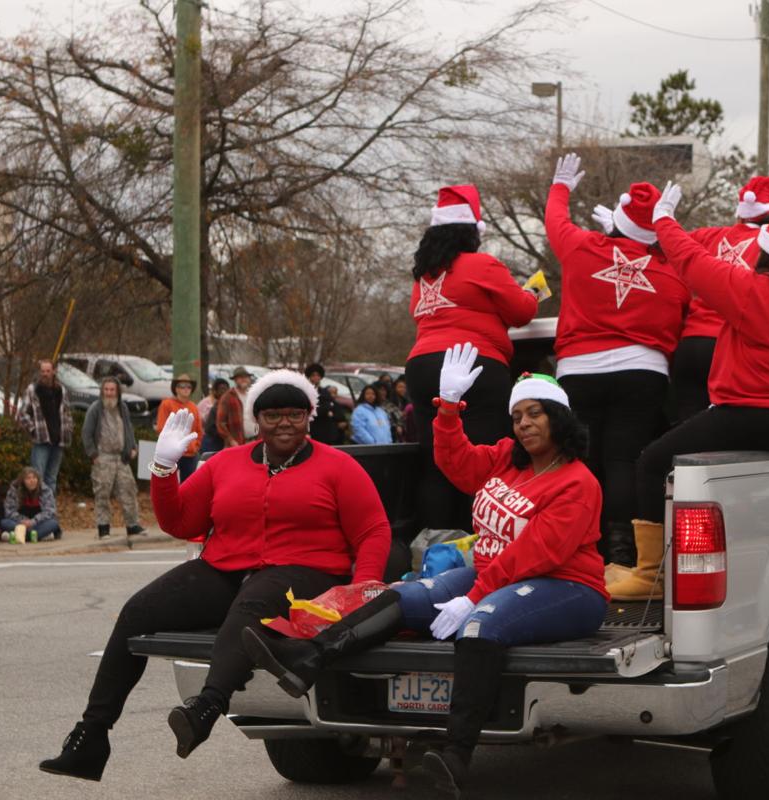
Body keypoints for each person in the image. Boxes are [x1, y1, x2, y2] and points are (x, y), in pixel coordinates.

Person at [243, 345, 607, 796]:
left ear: (559, 417)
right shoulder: (507, 458)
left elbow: (537, 553)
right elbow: (455, 462)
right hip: (496, 574)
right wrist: (449, 410)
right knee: (401, 594)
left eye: (535, 414)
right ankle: (309, 658)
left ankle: (455, 755)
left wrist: (475, 597)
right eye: (517, 416)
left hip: (565, 585)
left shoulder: (577, 482)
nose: (524, 424)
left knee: (478, 629)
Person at [39, 370, 391, 782]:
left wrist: (360, 588)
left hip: (306, 569)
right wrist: (165, 468)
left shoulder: (339, 467)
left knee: (250, 607)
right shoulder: (225, 463)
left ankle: (207, 706)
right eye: (273, 415)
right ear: (256, 421)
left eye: (294, 415)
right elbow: (180, 520)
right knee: (137, 611)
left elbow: (373, 530)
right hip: (227, 563)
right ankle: (91, 735)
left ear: (309, 417)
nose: (284, 423)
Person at [614, 184, 769, 601]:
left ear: (768, 255)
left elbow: (691, 260)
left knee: (652, 462)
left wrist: (663, 218)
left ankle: (650, 573)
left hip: (757, 415)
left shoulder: (755, 293)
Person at [545, 154, 690, 567]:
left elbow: (556, 222)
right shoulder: (672, 272)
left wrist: (559, 189)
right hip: (642, 374)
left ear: (617, 219)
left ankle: (581, 548)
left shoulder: (581, 247)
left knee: (583, 463)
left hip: (578, 371)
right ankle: (622, 550)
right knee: (624, 460)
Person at [404, 184, 540, 530]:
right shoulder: (482, 265)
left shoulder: (424, 276)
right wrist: (532, 292)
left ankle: (433, 546)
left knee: (435, 461)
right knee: (479, 460)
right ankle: (477, 543)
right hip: (472, 365)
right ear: (471, 232)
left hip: (421, 367)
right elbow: (522, 311)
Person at [671, 176, 769, 422]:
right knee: (721, 437)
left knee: (684, 434)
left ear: (741, 212)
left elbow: (668, 246)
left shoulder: (707, 236)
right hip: (730, 350)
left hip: (690, 346)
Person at [82, 377, 144, 539]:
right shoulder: (95, 408)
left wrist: (132, 447)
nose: (109, 393)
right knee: (102, 493)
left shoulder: (122, 408)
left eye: (112, 390)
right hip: (103, 457)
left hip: (121, 458)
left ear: (117, 391)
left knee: (128, 490)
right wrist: (93, 454)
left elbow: (128, 429)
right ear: (102, 391)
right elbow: (86, 433)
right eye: (106, 390)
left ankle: (133, 525)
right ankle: (103, 528)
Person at [18, 359, 73, 493]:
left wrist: (68, 429)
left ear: (54, 371)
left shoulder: (62, 390)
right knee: (37, 478)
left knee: (52, 479)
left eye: (48, 371)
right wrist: (33, 429)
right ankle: (37, 509)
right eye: (42, 371)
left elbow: (67, 413)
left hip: (58, 441)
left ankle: (49, 510)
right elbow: (22, 414)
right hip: (41, 441)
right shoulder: (33, 390)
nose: (45, 374)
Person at [156, 373, 204, 481]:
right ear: (176, 389)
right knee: (167, 484)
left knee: (189, 486)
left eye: (189, 387)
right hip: (171, 454)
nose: (186, 389)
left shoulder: (194, 407)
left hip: (190, 455)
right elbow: (161, 428)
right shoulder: (166, 404)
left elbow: (199, 431)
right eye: (182, 386)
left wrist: (195, 446)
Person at [2, 466, 61, 542]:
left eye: (34, 478)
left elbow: (50, 511)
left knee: (53, 523)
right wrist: (22, 520)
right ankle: (37, 536)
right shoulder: (14, 490)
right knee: (4, 522)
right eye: (28, 478)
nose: (32, 481)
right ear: (22, 480)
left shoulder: (45, 490)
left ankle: (20, 535)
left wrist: (33, 521)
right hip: (20, 523)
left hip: (38, 523)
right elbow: (9, 511)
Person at [304, 364, 346, 446]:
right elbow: (311, 410)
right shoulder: (306, 392)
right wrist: (327, 409)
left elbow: (334, 406)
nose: (316, 378)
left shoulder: (324, 392)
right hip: (314, 429)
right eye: (313, 375)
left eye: (318, 375)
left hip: (327, 431)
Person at [215, 367, 252, 447]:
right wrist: (231, 440)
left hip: (254, 441)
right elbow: (220, 423)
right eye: (240, 377)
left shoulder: (253, 395)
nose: (244, 379)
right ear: (235, 380)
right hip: (237, 444)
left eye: (246, 377)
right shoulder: (227, 397)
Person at [199, 378, 230, 457]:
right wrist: (225, 435)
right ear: (215, 392)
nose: (224, 392)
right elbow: (209, 428)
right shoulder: (216, 407)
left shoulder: (228, 406)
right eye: (221, 389)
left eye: (226, 389)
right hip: (211, 445)